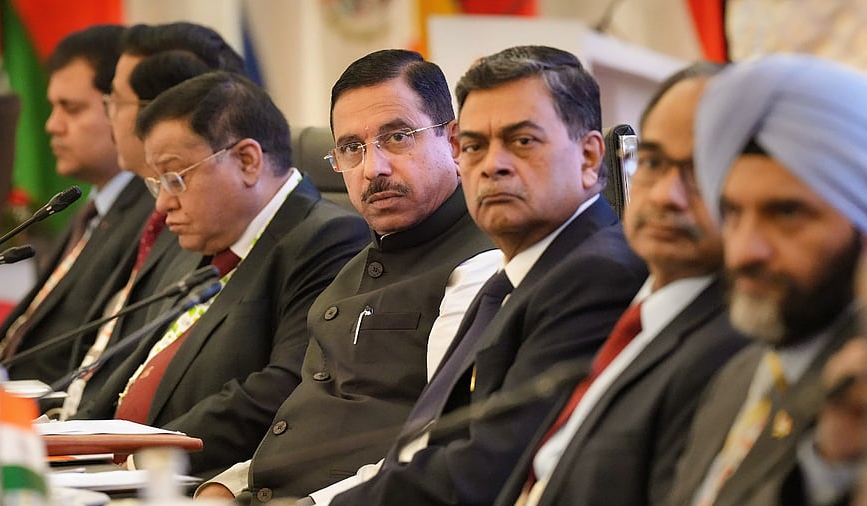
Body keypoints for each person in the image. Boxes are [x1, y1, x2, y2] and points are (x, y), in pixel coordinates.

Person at [328, 44, 648, 506]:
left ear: (589, 158)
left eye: (522, 142)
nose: (492, 165)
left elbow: (487, 470)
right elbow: (431, 443)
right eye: (475, 145)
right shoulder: (517, 271)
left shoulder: (595, 275)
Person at [196, 48, 500, 502]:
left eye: (397, 137)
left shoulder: (483, 265)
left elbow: (436, 449)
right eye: (351, 148)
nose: (372, 169)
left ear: (453, 142)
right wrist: (224, 486)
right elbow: (303, 423)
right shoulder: (352, 268)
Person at [79, 70, 371, 476]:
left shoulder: (326, 240)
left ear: (247, 160)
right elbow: (138, 359)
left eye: (175, 178)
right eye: (157, 183)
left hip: (195, 480)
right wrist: (74, 438)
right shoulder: (208, 241)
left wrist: (138, 459)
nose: (162, 205)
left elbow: (283, 388)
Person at [494, 62, 748, 506]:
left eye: (701, 168)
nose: (666, 194)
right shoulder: (643, 307)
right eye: (652, 161)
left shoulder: (730, 347)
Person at [668, 53, 867, 506]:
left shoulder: (856, 391)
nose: (743, 251)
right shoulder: (739, 375)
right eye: (733, 212)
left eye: (786, 213)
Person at [64, 22, 247, 421]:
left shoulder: (204, 231)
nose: (166, 204)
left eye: (113, 100)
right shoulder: (146, 214)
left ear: (164, 107)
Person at [0, 25, 154, 385]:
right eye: (52, 107)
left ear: (120, 108)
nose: (51, 125)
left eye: (70, 109)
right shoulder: (84, 210)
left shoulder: (151, 217)